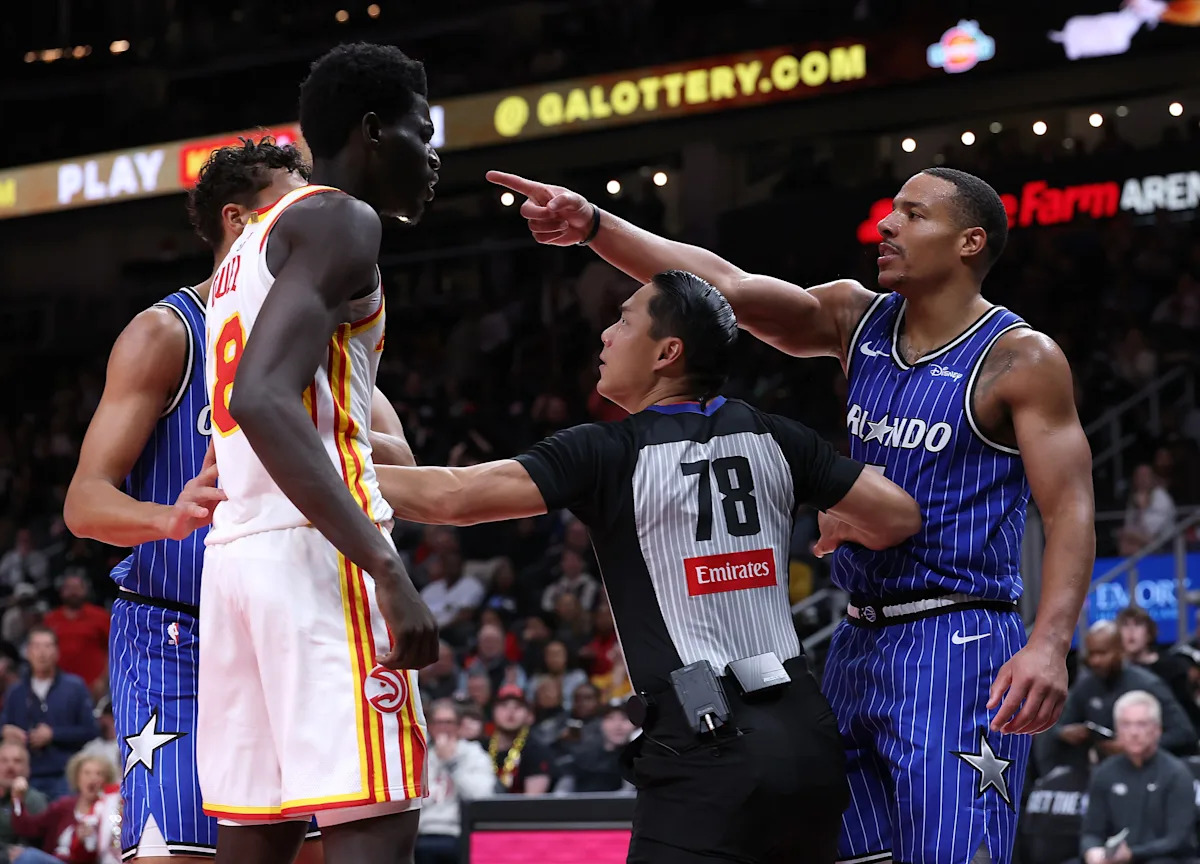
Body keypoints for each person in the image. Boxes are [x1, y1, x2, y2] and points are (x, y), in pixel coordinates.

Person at [489, 165, 1096, 864]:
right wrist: (595, 226)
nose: (888, 225)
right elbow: (727, 287)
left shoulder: (1021, 357)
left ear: (969, 241)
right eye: (889, 211)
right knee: (832, 851)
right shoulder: (856, 316)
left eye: (913, 214)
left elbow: (1071, 507)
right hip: (858, 638)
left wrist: (1049, 643)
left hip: (958, 639)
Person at [372, 271, 921, 862]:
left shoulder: (607, 451)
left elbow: (448, 497)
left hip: (704, 746)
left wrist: (297, 462)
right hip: (807, 739)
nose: (606, 336)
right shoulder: (778, 437)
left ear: (667, 352)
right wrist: (838, 519)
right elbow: (897, 516)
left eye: (624, 320)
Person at [197, 42, 440, 864]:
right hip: (317, 553)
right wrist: (387, 567)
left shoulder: (246, 248)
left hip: (237, 555)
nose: (435, 155)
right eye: (423, 131)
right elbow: (260, 397)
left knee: (255, 837)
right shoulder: (341, 217)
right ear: (374, 130)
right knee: (375, 829)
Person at [62, 139, 325, 864]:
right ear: (238, 223)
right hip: (173, 636)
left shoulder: (313, 336)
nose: (310, 223)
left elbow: (390, 455)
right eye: (289, 207)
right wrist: (168, 518)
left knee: (309, 853)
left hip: (279, 627)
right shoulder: (164, 333)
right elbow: (84, 503)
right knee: (174, 855)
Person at [1053, 621, 1196, 766]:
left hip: (1151, 768)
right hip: (1102, 771)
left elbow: (1184, 732)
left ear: (1120, 651)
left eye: (1102, 653)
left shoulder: (1147, 684)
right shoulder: (1085, 685)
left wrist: (1136, 745)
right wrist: (1065, 732)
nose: (1095, 661)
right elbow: (1060, 725)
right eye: (1091, 654)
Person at [1079, 691, 1197, 864]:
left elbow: (1178, 840)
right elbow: (1091, 832)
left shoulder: (1177, 774)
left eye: (1141, 724)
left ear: (1157, 729)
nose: (1134, 732)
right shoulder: (1104, 772)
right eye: (1126, 725)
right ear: (1117, 730)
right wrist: (1092, 852)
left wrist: (1132, 854)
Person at [0, 628, 97, 801]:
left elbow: (90, 730)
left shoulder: (75, 686)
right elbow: (4, 725)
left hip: (65, 776)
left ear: (57, 652)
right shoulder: (16, 691)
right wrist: (6, 731)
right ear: (28, 652)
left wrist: (54, 734)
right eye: (36, 646)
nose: (42, 653)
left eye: (47, 646)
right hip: (27, 776)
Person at [415, 700, 497, 864]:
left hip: (460, 833)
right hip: (423, 834)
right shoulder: (420, 756)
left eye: (449, 722)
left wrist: (451, 763)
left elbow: (481, 796)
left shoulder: (474, 754)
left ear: (459, 726)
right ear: (430, 727)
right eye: (438, 722)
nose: (443, 727)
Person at [10, 752, 118, 864]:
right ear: (77, 778)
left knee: (30, 857)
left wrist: (83, 842)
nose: (93, 778)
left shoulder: (109, 814)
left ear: (106, 780)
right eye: (87, 773)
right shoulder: (63, 806)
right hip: (53, 859)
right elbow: (26, 827)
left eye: (99, 774)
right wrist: (18, 799)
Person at [1116, 605, 1200, 730]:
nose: (1131, 631)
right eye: (1125, 625)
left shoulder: (1174, 667)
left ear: (1149, 633)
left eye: (1137, 624)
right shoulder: (1115, 672)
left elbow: (1187, 715)